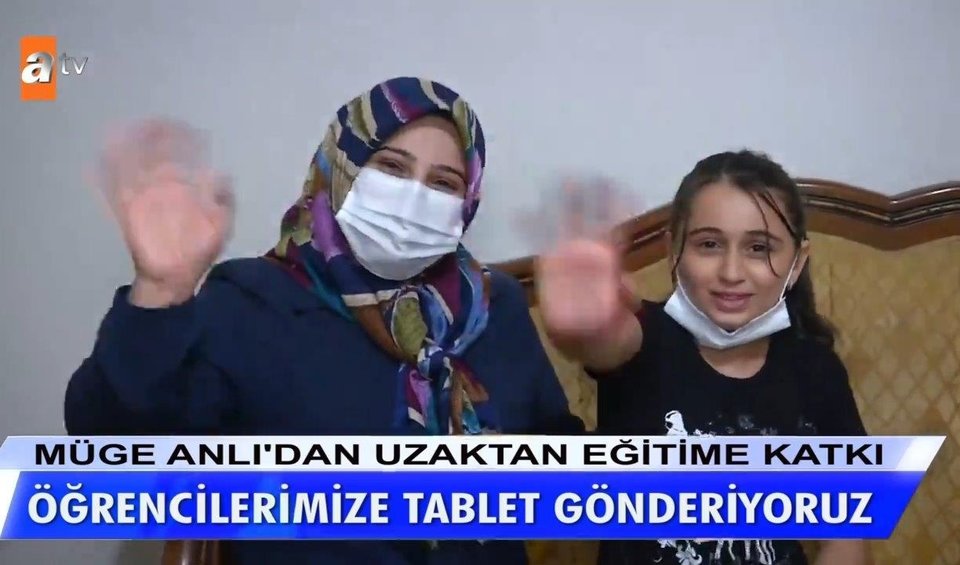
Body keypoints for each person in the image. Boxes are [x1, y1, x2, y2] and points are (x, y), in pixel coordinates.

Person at [65, 76, 582, 564]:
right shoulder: (253, 301)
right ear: (338, 169)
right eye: (391, 168)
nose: (414, 197)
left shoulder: (493, 306)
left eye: (443, 183)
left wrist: (616, 355)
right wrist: (159, 292)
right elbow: (114, 447)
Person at [536, 150, 871, 565]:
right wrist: (581, 312)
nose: (731, 272)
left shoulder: (817, 370)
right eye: (709, 245)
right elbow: (598, 338)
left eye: (759, 248)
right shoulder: (644, 339)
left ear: (797, 262)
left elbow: (846, 538)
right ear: (673, 250)